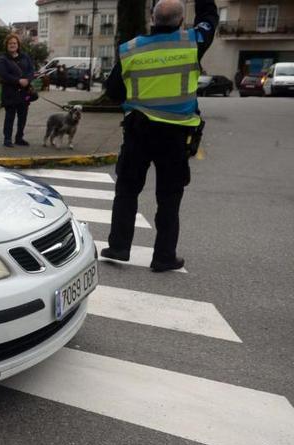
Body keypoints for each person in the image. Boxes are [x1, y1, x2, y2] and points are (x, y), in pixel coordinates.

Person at [101, 0, 218, 272]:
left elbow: (114, 91)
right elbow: (210, 17)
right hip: (175, 134)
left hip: (138, 131)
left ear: (152, 18)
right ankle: (164, 256)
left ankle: (119, 247)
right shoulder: (192, 41)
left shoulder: (131, 48)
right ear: (180, 21)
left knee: (127, 191)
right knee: (169, 196)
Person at [0, 33, 34, 148]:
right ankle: (7, 139)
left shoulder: (25, 57)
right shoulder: (3, 59)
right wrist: (18, 81)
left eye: (14, 43)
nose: (12, 45)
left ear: (18, 45)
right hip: (10, 92)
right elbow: (4, 75)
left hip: (24, 92)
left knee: (23, 116)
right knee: (10, 117)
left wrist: (28, 79)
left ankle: (19, 137)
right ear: (6, 45)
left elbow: (31, 70)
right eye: (10, 43)